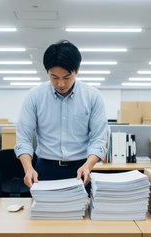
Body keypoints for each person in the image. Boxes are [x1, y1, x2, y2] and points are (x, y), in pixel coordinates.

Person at [14, 40, 107, 188]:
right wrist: (28, 168)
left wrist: (88, 166)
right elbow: (23, 139)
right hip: (45, 169)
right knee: (45, 211)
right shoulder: (34, 96)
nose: (61, 84)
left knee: (82, 211)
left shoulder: (93, 96)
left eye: (66, 77)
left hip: (81, 170)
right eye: (54, 77)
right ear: (47, 72)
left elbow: (98, 140)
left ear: (77, 69)